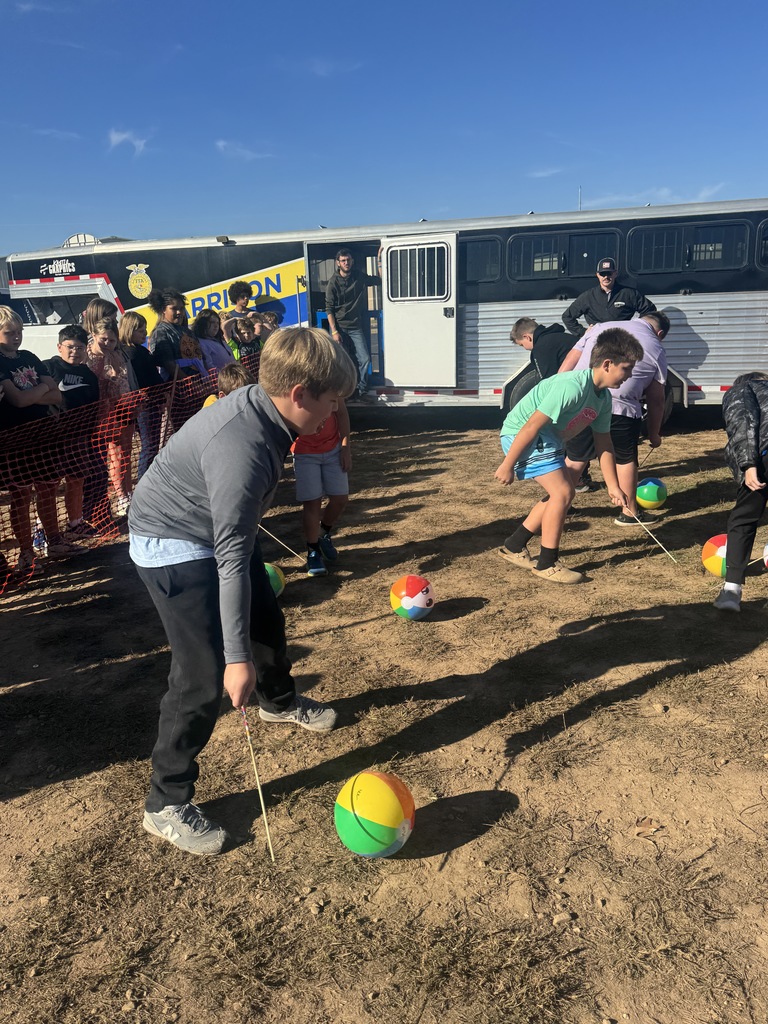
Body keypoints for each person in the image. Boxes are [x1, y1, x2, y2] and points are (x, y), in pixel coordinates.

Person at [128, 326, 357, 855]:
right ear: (299, 394)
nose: (333, 415)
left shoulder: (271, 410)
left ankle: (277, 702)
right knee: (203, 673)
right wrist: (236, 660)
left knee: (267, 620)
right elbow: (229, 561)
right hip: (173, 542)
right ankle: (164, 803)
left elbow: (235, 544)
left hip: (219, 527)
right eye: (331, 402)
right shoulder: (243, 448)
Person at [495, 328, 642, 584]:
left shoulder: (603, 398)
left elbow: (604, 445)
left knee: (561, 491)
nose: (629, 376)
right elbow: (531, 426)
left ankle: (514, 546)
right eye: (626, 369)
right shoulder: (571, 387)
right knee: (563, 493)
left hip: (547, 437)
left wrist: (614, 487)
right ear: (607, 364)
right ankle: (546, 564)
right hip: (521, 433)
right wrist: (508, 464)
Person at [559, 312, 671, 526]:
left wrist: (562, 397)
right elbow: (657, 399)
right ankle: (629, 513)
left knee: (575, 457)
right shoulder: (656, 346)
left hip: (583, 400)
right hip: (622, 407)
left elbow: (566, 366)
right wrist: (654, 433)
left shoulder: (600, 326)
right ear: (660, 333)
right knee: (624, 458)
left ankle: (560, 502)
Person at [0, 306, 78, 571]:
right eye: (10, 332)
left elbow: (57, 395)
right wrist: (42, 388)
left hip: (44, 433)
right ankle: (25, 552)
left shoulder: (29, 355)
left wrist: (43, 389)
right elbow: (18, 400)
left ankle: (54, 540)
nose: (17, 337)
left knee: (48, 488)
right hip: (15, 438)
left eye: (20, 332)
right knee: (20, 495)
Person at [713, 371, 768, 612]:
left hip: (763, 457)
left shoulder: (743, 390)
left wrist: (748, 464)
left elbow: (743, 420)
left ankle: (731, 591)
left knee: (743, 519)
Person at [42, 325, 101, 537]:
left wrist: (89, 433)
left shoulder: (90, 376)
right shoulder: (47, 367)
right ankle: (46, 529)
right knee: (49, 485)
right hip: (51, 437)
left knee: (77, 479)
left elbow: (94, 406)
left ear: (86, 349)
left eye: (80, 347)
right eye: (70, 347)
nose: (75, 351)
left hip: (78, 437)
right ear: (59, 347)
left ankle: (75, 522)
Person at [292, 395, 351, 577]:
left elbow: (342, 414)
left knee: (340, 498)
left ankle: (323, 533)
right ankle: (313, 551)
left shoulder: (332, 384)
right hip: (305, 453)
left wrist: (345, 447)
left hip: (333, 450)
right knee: (312, 503)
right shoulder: (298, 389)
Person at [325, 248, 380, 399]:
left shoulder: (358, 277)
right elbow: (328, 309)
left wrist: (380, 260)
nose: (346, 263)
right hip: (340, 328)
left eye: (348, 260)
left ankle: (361, 389)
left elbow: (378, 280)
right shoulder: (333, 282)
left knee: (365, 359)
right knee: (340, 362)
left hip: (355, 327)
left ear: (352, 261)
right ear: (338, 263)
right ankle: (343, 393)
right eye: (343, 260)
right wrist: (334, 332)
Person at [562, 257, 657, 339]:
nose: (606, 277)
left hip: (622, 341)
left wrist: (636, 328)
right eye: (602, 274)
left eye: (609, 273)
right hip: (597, 342)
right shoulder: (588, 296)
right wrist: (583, 332)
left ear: (615, 273)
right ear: (597, 275)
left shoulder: (629, 294)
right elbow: (567, 316)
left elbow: (650, 310)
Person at [119, 312, 164, 480]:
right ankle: (145, 480)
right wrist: (160, 396)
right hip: (147, 403)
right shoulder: (133, 353)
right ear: (129, 330)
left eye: (145, 330)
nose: (144, 334)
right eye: (140, 330)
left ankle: (147, 479)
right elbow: (147, 379)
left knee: (150, 444)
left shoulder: (136, 350)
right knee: (150, 445)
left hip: (147, 402)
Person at [147, 289, 200, 380]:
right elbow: (169, 364)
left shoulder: (187, 331)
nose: (179, 312)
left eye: (181, 308)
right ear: (163, 309)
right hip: (181, 388)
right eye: (174, 309)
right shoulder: (161, 333)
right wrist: (189, 384)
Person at [510, 317, 578, 381]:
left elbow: (548, 381)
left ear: (527, 337)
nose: (525, 348)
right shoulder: (556, 336)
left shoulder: (540, 348)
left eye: (522, 345)